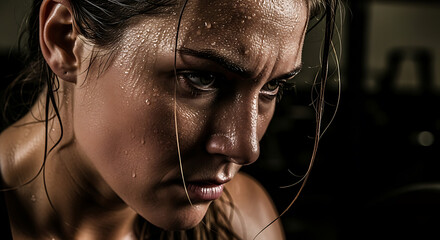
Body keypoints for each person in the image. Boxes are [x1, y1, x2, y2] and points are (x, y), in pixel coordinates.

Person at [0, 0, 338, 239]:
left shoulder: (244, 223)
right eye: (201, 78)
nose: (245, 148)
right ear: (65, 39)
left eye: (272, 86)